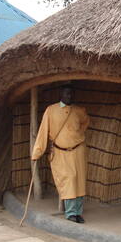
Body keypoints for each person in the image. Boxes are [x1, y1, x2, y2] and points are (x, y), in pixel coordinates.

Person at [31, 85, 90, 223]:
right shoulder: (51, 111)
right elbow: (43, 132)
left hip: (78, 150)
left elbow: (86, 121)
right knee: (69, 180)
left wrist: (79, 133)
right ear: (61, 94)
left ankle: (78, 212)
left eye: (71, 94)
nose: (69, 96)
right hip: (60, 152)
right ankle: (70, 213)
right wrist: (37, 152)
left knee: (79, 181)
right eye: (67, 93)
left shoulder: (78, 111)